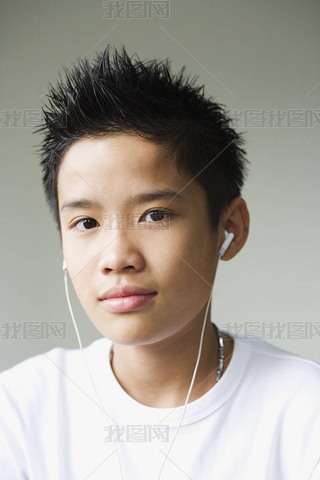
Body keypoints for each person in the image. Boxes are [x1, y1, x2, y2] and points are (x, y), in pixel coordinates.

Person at [0, 45, 319, 480]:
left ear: (230, 228)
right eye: (86, 221)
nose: (117, 258)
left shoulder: (303, 411)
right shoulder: (19, 409)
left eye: (155, 215)